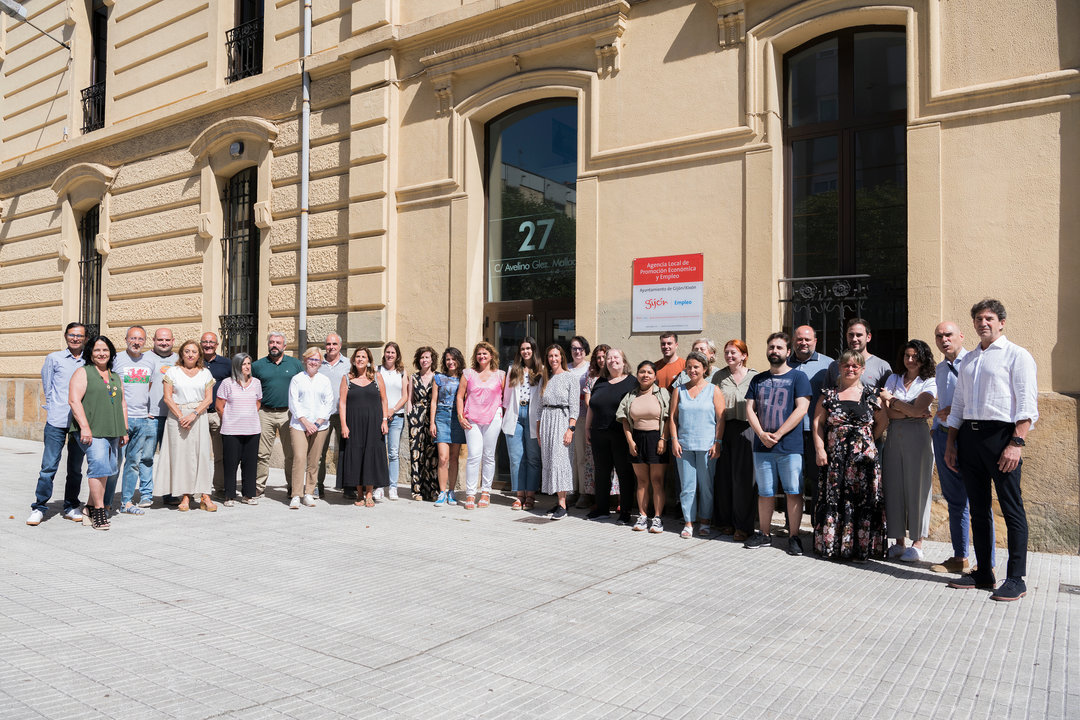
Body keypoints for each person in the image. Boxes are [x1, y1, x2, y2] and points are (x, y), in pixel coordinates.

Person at [946, 299, 1037, 602]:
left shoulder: (1017, 356)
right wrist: (951, 443)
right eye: (978, 318)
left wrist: (1016, 443)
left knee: (1011, 508)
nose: (982, 323)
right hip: (970, 439)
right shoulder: (970, 359)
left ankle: (1016, 578)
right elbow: (958, 405)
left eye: (988, 318)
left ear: (1001, 322)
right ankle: (984, 571)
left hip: (1002, 438)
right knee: (978, 508)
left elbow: (1026, 406)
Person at [812, 350, 889, 560]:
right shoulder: (828, 395)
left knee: (862, 502)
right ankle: (835, 547)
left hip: (864, 463)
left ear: (863, 369)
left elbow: (883, 421)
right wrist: (820, 449)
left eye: (856, 366)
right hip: (836, 461)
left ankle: (861, 549)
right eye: (847, 365)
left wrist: (867, 441)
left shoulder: (871, 395)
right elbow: (817, 424)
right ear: (840, 367)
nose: (851, 369)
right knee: (836, 500)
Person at [929, 321, 988, 574]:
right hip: (944, 436)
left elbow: (983, 397)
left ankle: (987, 564)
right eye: (939, 336)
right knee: (955, 500)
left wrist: (957, 409)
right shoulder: (941, 368)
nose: (944, 340)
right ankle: (960, 556)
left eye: (949, 335)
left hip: (970, 438)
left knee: (979, 502)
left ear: (961, 336)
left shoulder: (975, 362)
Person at [744, 332, 811, 554]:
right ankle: (764, 534)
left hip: (789, 447)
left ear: (788, 352)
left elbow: (802, 408)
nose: (774, 351)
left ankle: (794, 537)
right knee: (765, 492)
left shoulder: (798, 378)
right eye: (771, 347)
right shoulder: (758, 379)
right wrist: (761, 433)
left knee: (793, 491)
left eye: (779, 348)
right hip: (762, 446)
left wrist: (779, 434)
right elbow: (749, 410)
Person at [879, 339, 937, 562]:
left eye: (915, 356)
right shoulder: (894, 378)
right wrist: (909, 410)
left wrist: (892, 400)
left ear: (923, 358)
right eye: (907, 356)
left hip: (918, 438)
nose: (910, 360)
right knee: (894, 486)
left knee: (918, 487)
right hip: (894, 435)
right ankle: (898, 541)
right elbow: (890, 415)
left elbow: (919, 409)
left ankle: (917, 542)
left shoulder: (929, 381)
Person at [26, 322, 87, 526]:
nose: (75, 339)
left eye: (79, 335)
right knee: (49, 466)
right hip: (57, 420)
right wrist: (53, 408)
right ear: (65, 336)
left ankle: (71, 505)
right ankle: (39, 507)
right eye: (72, 335)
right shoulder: (54, 358)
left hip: (79, 422)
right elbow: (47, 384)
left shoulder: (89, 360)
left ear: (85, 338)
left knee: (75, 468)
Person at [68, 335, 128, 531]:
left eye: (105, 350)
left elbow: (122, 404)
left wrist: (124, 430)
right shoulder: (83, 372)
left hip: (112, 429)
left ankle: (89, 507)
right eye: (97, 350)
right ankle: (99, 511)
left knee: (109, 469)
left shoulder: (115, 376)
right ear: (90, 353)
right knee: (100, 467)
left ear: (110, 353)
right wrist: (85, 427)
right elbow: (74, 400)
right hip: (92, 430)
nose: (101, 354)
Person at [669, 351, 725, 538]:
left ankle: (705, 521)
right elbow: (673, 418)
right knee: (687, 486)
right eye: (689, 367)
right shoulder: (679, 390)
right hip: (684, 446)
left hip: (707, 446)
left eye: (696, 367)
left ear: (705, 369)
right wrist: (675, 440)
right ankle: (688, 522)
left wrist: (717, 442)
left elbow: (721, 419)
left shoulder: (714, 390)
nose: (692, 370)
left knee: (706, 486)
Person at [157, 340, 216, 513]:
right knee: (181, 457)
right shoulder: (172, 372)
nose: (190, 354)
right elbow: (167, 397)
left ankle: (205, 494)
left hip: (198, 416)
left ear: (199, 355)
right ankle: (185, 495)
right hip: (177, 417)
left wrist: (193, 414)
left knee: (202, 455)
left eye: (194, 351)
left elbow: (209, 399)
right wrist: (182, 416)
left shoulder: (205, 373)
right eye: (187, 351)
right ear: (181, 354)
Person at [105, 325, 159, 516]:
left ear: (145, 341)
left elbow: (147, 386)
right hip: (120, 419)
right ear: (126, 339)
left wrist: (146, 411)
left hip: (142, 419)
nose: (136, 342)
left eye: (140, 339)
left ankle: (126, 502)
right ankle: (106, 502)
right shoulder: (116, 359)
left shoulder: (150, 361)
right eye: (133, 338)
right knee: (115, 462)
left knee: (134, 462)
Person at [712, 340, 759, 541]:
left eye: (734, 352)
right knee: (724, 478)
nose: (730, 356)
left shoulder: (755, 377)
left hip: (748, 429)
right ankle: (725, 522)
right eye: (727, 353)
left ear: (744, 355)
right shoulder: (719, 376)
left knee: (744, 480)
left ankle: (743, 526)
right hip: (725, 428)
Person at [617, 360, 670, 533]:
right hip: (637, 439)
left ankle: (657, 518)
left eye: (649, 372)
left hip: (656, 438)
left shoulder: (662, 393)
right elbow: (624, 419)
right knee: (641, 481)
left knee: (657, 481)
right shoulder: (631, 395)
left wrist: (663, 439)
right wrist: (630, 441)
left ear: (655, 376)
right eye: (642, 372)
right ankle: (642, 516)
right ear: (637, 374)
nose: (645, 375)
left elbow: (669, 418)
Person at [585, 348, 636, 522]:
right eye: (609, 358)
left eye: (616, 357)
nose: (612, 360)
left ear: (624, 362)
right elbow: (592, 406)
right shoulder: (600, 381)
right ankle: (602, 509)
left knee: (624, 472)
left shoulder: (632, 382)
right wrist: (587, 428)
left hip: (621, 434)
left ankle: (625, 512)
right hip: (599, 432)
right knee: (601, 473)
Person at [251, 332, 303, 497]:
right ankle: (259, 486)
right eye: (271, 342)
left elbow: (303, 388)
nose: (274, 345)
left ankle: (292, 486)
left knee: (291, 453)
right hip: (264, 413)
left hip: (288, 413)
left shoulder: (295, 364)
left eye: (278, 342)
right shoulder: (258, 366)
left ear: (284, 346)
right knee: (262, 453)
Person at [787, 325, 833, 505]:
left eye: (807, 339)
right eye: (799, 339)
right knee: (792, 479)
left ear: (815, 341)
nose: (803, 343)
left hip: (817, 430)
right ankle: (791, 527)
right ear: (793, 341)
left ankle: (817, 526)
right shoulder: (785, 364)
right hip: (790, 431)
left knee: (817, 478)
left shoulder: (828, 364)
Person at [457, 341, 505, 510]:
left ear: (491, 356)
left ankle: (486, 492)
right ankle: (471, 493)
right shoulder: (468, 373)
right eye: (479, 354)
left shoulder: (500, 375)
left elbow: (505, 397)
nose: (482, 356)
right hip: (472, 419)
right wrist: (460, 416)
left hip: (493, 418)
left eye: (485, 353)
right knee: (474, 455)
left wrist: (503, 415)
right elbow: (460, 396)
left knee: (489, 455)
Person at [339, 347, 390, 506]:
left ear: (368, 360)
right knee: (356, 456)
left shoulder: (376, 377)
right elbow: (342, 403)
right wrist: (343, 425)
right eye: (358, 357)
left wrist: (384, 420)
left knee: (370, 455)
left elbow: (384, 400)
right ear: (353, 360)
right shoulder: (346, 378)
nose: (360, 359)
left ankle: (370, 493)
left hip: (374, 424)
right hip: (353, 424)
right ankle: (359, 494)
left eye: (364, 357)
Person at [534, 344, 579, 519]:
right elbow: (538, 408)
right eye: (550, 356)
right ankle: (559, 501)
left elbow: (574, 406)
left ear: (562, 357)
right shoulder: (544, 379)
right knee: (551, 461)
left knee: (561, 461)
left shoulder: (570, 378)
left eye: (556, 355)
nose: (553, 359)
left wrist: (571, 429)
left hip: (562, 420)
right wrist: (538, 432)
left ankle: (563, 505)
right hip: (546, 421)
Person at [288, 347, 335, 509]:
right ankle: (296, 494)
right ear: (305, 360)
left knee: (314, 461)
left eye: (317, 360)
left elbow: (329, 404)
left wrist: (316, 424)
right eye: (311, 359)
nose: (313, 362)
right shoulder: (297, 379)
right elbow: (293, 403)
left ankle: (308, 492)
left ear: (321, 363)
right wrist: (306, 423)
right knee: (300, 458)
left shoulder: (325, 381)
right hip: (299, 425)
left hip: (320, 426)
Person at [216, 352, 262, 505]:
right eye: (244, 364)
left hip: (252, 429)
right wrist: (229, 419)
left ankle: (248, 495)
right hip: (231, 430)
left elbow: (258, 403)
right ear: (237, 366)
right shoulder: (227, 383)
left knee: (250, 463)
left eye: (249, 363)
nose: (247, 367)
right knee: (230, 463)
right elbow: (219, 405)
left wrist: (248, 416)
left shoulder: (256, 383)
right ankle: (229, 495)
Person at [502, 337, 541, 511]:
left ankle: (530, 495)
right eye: (523, 348)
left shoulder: (541, 370)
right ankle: (519, 495)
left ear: (533, 350)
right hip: (515, 415)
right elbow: (506, 398)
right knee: (516, 458)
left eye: (528, 348)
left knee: (532, 458)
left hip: (533, 416)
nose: (526, 351)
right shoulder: (513, 369)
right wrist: (506, 417)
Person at [430, 347, 466, 506]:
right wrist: (432, 422)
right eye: (447, 359)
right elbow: (433, 401)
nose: (450, 362)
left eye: (453, 359)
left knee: (454, 457)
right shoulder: (438, 378)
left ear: (458, 360)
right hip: (442, 417)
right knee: (443, 458)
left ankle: (452, 492)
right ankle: (442, 492)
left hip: (457, 418)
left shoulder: (464, 378)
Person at [576, 344, 609, 510]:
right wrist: (600, 407)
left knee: (613, 463)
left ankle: (615, 498)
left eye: (604, 357)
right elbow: (588, 400)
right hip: (594, 421)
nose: (602, 360)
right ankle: (594, 496)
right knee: (593, 462)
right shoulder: (591, 376)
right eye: (598, 357)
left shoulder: (616, 375)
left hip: (611, 423)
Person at [200, 332, 233, 499]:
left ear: (217, 344)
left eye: (211, 342)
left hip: (218, 415)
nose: (208, 345)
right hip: (198, 415)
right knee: (198, 453)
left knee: (220, 454)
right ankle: (198, 487)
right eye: (205, 342)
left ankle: (219, 487)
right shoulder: (194, 362)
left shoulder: (227, 364)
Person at [317, 333, 349, 497]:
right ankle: (318, 486)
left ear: (340, 346)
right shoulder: (317, 363)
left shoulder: (348, 364)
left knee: (346, 451)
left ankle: (347, 486)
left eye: (334, 344)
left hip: (342, 414)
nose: (331, 347)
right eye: (328, 344)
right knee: (319, 452)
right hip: (322, 415)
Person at [406, 346, 439, 501]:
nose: (424, 360)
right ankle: (417, 490)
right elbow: (410, 399)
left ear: (432, 359)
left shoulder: (438, 377)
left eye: (427, 357)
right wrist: (410, 415)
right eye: (422, 357)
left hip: (432, 416)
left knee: (432, 453)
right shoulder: (413, 377)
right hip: (416, 416)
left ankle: (432, 491)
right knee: (416, 452)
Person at [825, 318, 892, 390]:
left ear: (868, 337)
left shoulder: (881, 366)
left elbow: (888, 397)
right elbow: (825, 394)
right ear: (846, 336)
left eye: (859, 335)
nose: (854, 339)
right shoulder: (835, 366)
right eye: (851, 335)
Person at [377, 342, 407, 500]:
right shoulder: (377, 370)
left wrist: (392, 410)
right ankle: (380, 486)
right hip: (380, 417)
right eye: (387, 352)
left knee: (393, 453)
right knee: (380, 452)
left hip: (396, 417)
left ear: (397, 355)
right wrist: (384, 412)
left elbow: (405, 396)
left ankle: (393, 487)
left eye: (393, 353)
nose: (390, 355)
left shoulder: (401, 372)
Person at [567, 335, 591, 506]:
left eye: (580, 348)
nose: (577, 351)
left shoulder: (590, 369)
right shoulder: (565, 369)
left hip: (583, 417)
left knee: (581, 456)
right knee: (568, 456)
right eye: (574, 348)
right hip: (566, 419)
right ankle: (570, 490)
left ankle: (583, 492)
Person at [148, 327, 176, 451]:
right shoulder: (144, 358)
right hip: (150, 417)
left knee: (170, 456)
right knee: (146, 456)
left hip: (173, 416)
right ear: (153, 340)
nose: (164, 343)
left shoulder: (180, 360)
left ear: (173, 341)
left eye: (167, 340)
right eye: (160, 339)